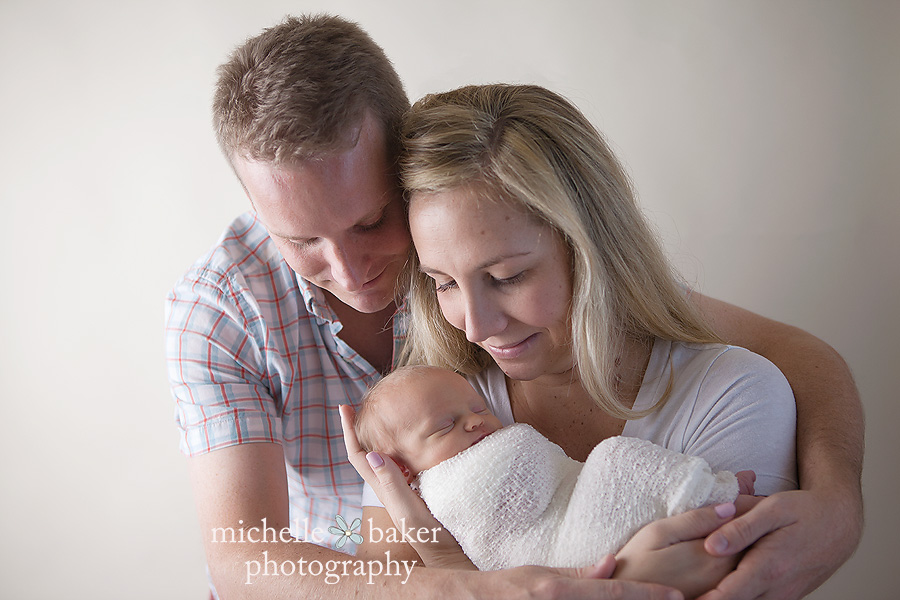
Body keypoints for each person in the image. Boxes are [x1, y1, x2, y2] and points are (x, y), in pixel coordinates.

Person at [165, 12, 863, 600]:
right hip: (335, 560)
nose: (349, 271)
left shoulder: (466, 227)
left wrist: (837, 502)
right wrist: (474, 586)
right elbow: (240, 555)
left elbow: (789, 355)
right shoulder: (223, 309)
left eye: (371, 222)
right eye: (301, 240)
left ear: (404, 173)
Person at [347, 83, 800, 596]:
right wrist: (444, 558)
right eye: (444, 283)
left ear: (592, 251)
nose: (475, 327)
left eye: (507, 277)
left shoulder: (731, 396)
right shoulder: (429, 417)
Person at [353, 365, 761, 579]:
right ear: (404, 469)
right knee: (615, 458)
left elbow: (562, 480)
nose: (476, 423)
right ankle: (714, 494)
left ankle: (708, 498)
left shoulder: (734, 384)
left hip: (578, 529)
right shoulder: (444, 491)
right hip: (565, 556)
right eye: (445, 426)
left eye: (479, 409)